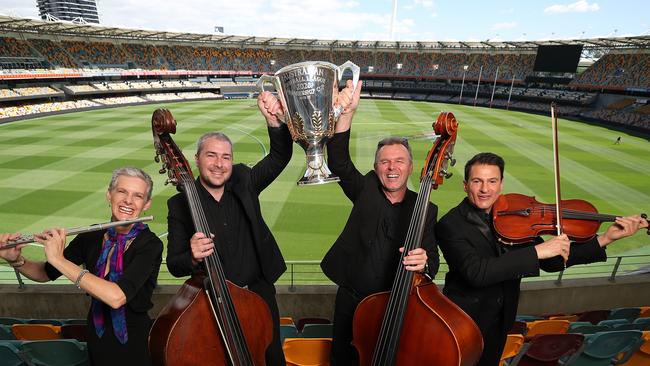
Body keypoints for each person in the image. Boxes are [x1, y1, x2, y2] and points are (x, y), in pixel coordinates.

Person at [435, 152, 649, 366]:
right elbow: (477, 273)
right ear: (465, 185)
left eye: (492, 181)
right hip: (464, 323)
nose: (485, 189)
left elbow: (552, 261)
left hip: (501, 322)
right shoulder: (450, 225)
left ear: (501, 185)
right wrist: (538, 251)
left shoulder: (516, 217)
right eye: (477, 181)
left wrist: (605, 238)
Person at [165, 91, 292, 365]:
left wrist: (274, 122)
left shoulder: (244, 179)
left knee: (270, 356)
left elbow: (280, 156)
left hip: (258, 294)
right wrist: (191, 255)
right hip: (213, 300)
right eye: (211, 156)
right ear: (196, 159)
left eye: (226, 157)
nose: (219, 164)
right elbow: (174, 265)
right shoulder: (180, 204)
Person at [321, 81, 439, 365]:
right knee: (344, 359)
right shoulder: (366, 190)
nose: (391, 168)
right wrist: (347, 113)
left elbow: (432, 262)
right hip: (352, 301)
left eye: (399, 161)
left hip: (396, 304)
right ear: (376, 168)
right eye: (384, 162)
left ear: (410, 166)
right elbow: (338, 162)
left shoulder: (425, 208)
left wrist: (425, 262)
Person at [0, 167, 163, 366]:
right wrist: (16, 260)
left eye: (138, 196)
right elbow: (45, 273)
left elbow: (116, 297)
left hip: (133, 344)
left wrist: (59, 259)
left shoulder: (151, 245)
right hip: (96, 336)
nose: (128, 201)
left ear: (146, 204)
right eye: (122, 191)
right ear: (109, 195)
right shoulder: (92, 235)